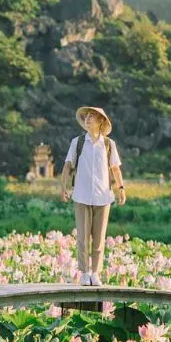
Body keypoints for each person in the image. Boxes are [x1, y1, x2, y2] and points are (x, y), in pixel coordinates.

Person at [59, 106, 126, 286]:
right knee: (82, 237)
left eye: (92, 116)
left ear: (100, 121)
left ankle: (95, 273)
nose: (88, 119)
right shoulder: (77, 142)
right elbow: (67, 166)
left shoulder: (108, 144)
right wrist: (63, 187)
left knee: (99, 238)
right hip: (81, 195)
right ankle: (84, 272)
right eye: (86, 116)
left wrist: (121, 188)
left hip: (103, 197)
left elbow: (115, 168)